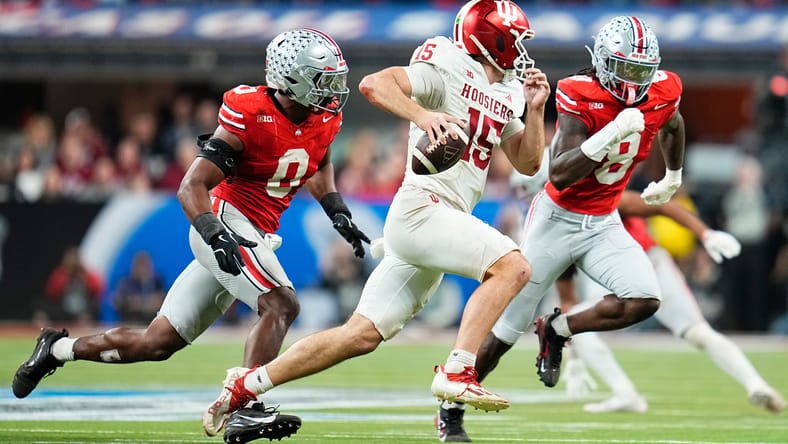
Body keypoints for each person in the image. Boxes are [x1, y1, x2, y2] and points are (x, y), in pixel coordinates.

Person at [201, 0, 550, 440]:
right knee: (512, 265)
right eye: (514, 41)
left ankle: (245, 385)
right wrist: (425, 116)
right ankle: (459, 371)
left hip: (444, 219)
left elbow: (529, 162)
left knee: (360, 335)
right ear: (490, 39)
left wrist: (535, 110)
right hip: (422, 209)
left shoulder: (507, 90)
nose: (521, 52)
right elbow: (374, 84)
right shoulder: (447, 63)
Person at [12, 27, 369, 443]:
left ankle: (55, 349)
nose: (334, 91)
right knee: (281, 304)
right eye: (324, 80)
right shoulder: (250, 112)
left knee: (156, 342)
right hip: (222, 219)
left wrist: (336, 210)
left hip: (255, 230)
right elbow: (191, 187)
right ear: (292, 79)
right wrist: (215, 235)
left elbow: (319, 160)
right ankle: (245, 408)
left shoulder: (324, 118)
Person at [439, 15, 685, 442]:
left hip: (604, 221)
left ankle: (557, 330)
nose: (635, 80)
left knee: (644, 299)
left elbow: (673, 122)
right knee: (503, 333)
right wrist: (610, 133)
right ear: (604, 63)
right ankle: (450, 410)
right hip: (557, 219)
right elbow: (561, 174)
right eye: (626, 69)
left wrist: (674, 174)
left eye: (642, 70)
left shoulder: (663, 89)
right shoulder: (579, 92)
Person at [559, 191, 786, 415]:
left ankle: (756, 384)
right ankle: (625, 393)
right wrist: (575, 357)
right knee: (697, 332)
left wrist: (706, 234)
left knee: (697, 332)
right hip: (620, 278)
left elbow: (662, 206)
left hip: (645, 264)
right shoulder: (558, 234)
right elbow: (568, 300)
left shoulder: (596, 201)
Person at [34, 246, 104, 324]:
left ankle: (85, 329)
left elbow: (97, 290)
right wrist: (66, 275)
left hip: (82, 308)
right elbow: (51, 292)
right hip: (63, 308)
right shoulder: (61, 273)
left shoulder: (86, 274)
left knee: (95, 307)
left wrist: (83, 277)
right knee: (41, 306)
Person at [112, 250, 166, 324]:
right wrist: (146, 303)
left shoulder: (156, 282)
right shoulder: (126, 283)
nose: (142, 269)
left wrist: (138, 302)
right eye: (140, 265)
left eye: (145, 265)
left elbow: (161, 301)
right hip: (130, 322)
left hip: (150, 323)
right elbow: (117, 301)